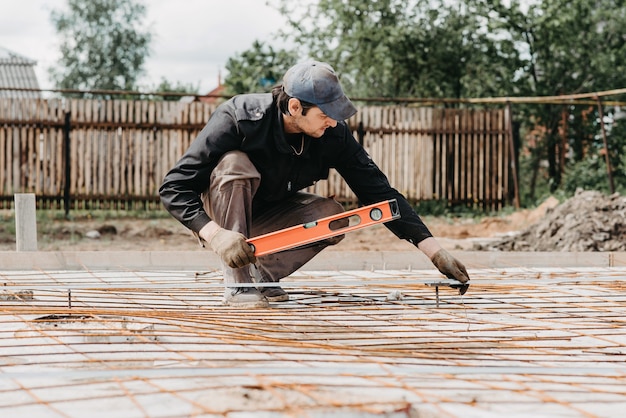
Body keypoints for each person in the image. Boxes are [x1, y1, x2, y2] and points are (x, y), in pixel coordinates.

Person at [159, 60, 470, 308]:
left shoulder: (333, 135)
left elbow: (379, 193)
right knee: (235, 164)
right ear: (295, 107)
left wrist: (434, 251)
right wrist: (215, 235)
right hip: (225, 220)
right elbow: (174, 186)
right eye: (325, 114)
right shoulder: (238, 119)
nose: (333, 122)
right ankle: (238, 284)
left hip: (273, 217)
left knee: (333, 214)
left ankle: (261, 277)